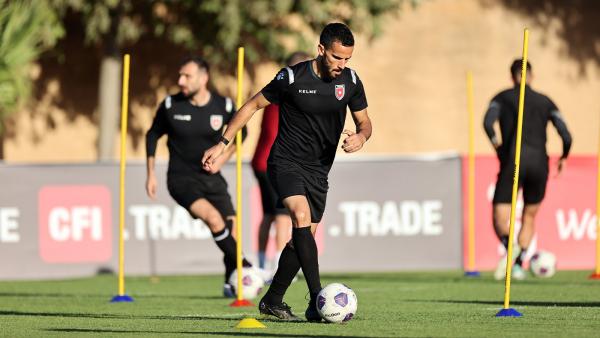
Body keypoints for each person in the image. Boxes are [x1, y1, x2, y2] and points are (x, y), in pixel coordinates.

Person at [203, 23, 372, 321]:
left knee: (302, 239)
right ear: (320, 50)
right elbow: (252, 105)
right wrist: (222, 143)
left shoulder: (351, 81)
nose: (341, 65)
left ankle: (273, 300)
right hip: (284, 162)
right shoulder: (292, 77)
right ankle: (319, 298)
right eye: (336, 57)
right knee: (301, 218)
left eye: (347, 59)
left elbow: (365, 123)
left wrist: (361, 137)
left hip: (319, 171)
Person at [145, 56, 251, 297]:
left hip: (212, 179)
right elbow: (152, 135)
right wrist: (150, 173)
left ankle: (231, 282)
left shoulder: (223, 106)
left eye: (187, 76)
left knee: (232, 230)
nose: (181, 80)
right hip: (181, 180)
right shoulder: (171, 105)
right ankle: (247, 268)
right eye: (180, 75)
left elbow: (242, 133)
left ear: (204, 79)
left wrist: (224, 157)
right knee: (214, 219)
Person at [483, 59, 572, 280]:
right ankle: (518, 263)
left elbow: (487, 123)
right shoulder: (545, 101)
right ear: (531, 76)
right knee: (529, 217)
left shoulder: (501, 98)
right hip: (540, 164)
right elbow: (566, 134)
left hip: (513, 161)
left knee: (500, 217)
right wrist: (564, 156)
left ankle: (509, 246)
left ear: (512, 76)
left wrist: (498, 147)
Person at [252, 51, 312, 273]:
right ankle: (277, 265)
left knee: (269, 214)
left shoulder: (276, 92)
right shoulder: (287, 93)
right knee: (282, 215)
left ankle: (260, 265)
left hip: (261, 160)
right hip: (274, 161)